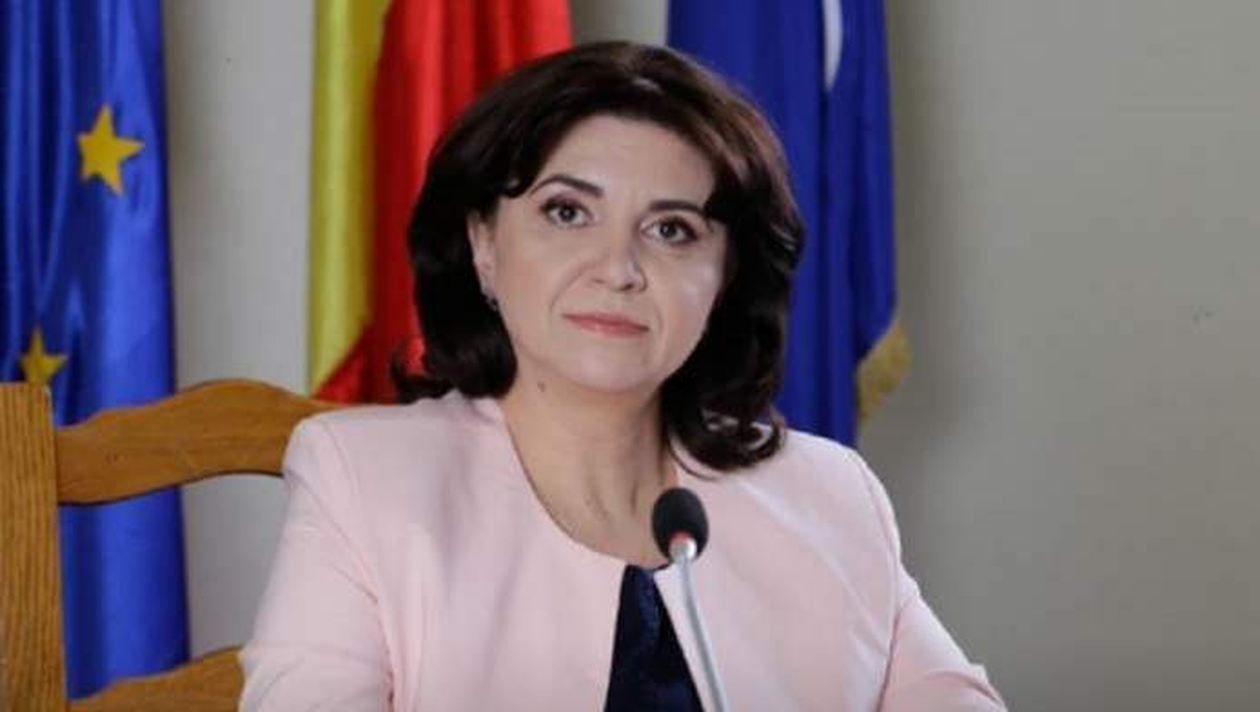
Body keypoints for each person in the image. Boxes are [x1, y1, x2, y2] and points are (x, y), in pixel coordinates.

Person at [240, 41, 1006, 711]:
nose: (618, 269)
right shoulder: (362, 478)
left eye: (672, 229)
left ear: (724, 277)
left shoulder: (829, 493)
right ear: (483, 245)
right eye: (567, 213)